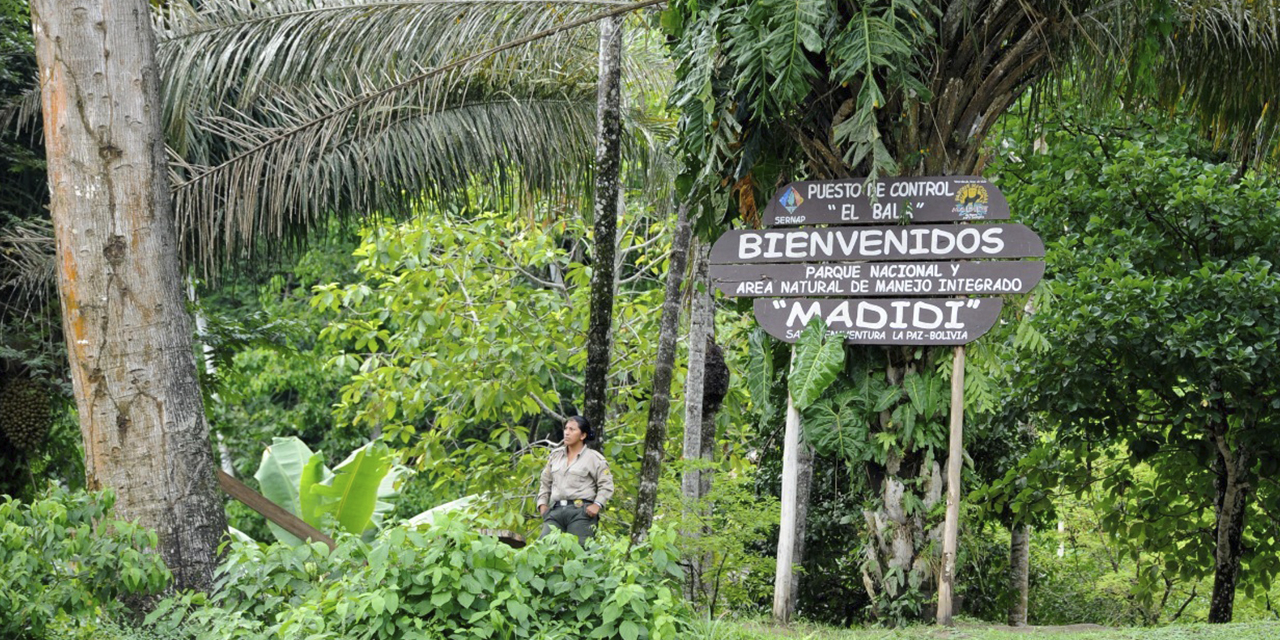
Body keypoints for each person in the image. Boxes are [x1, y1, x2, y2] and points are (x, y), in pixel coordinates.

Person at [537, 416, 613, 544]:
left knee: (580, 554)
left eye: (572, 429)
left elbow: (606, 484)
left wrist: (597, 504)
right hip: (555, 511)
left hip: (581, 512)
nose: (567, 432)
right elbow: (545, 482)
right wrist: (542, 505)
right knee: (543, 549)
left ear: (582, 435)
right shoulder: (555, 456)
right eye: (566, 428)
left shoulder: (594, 458)